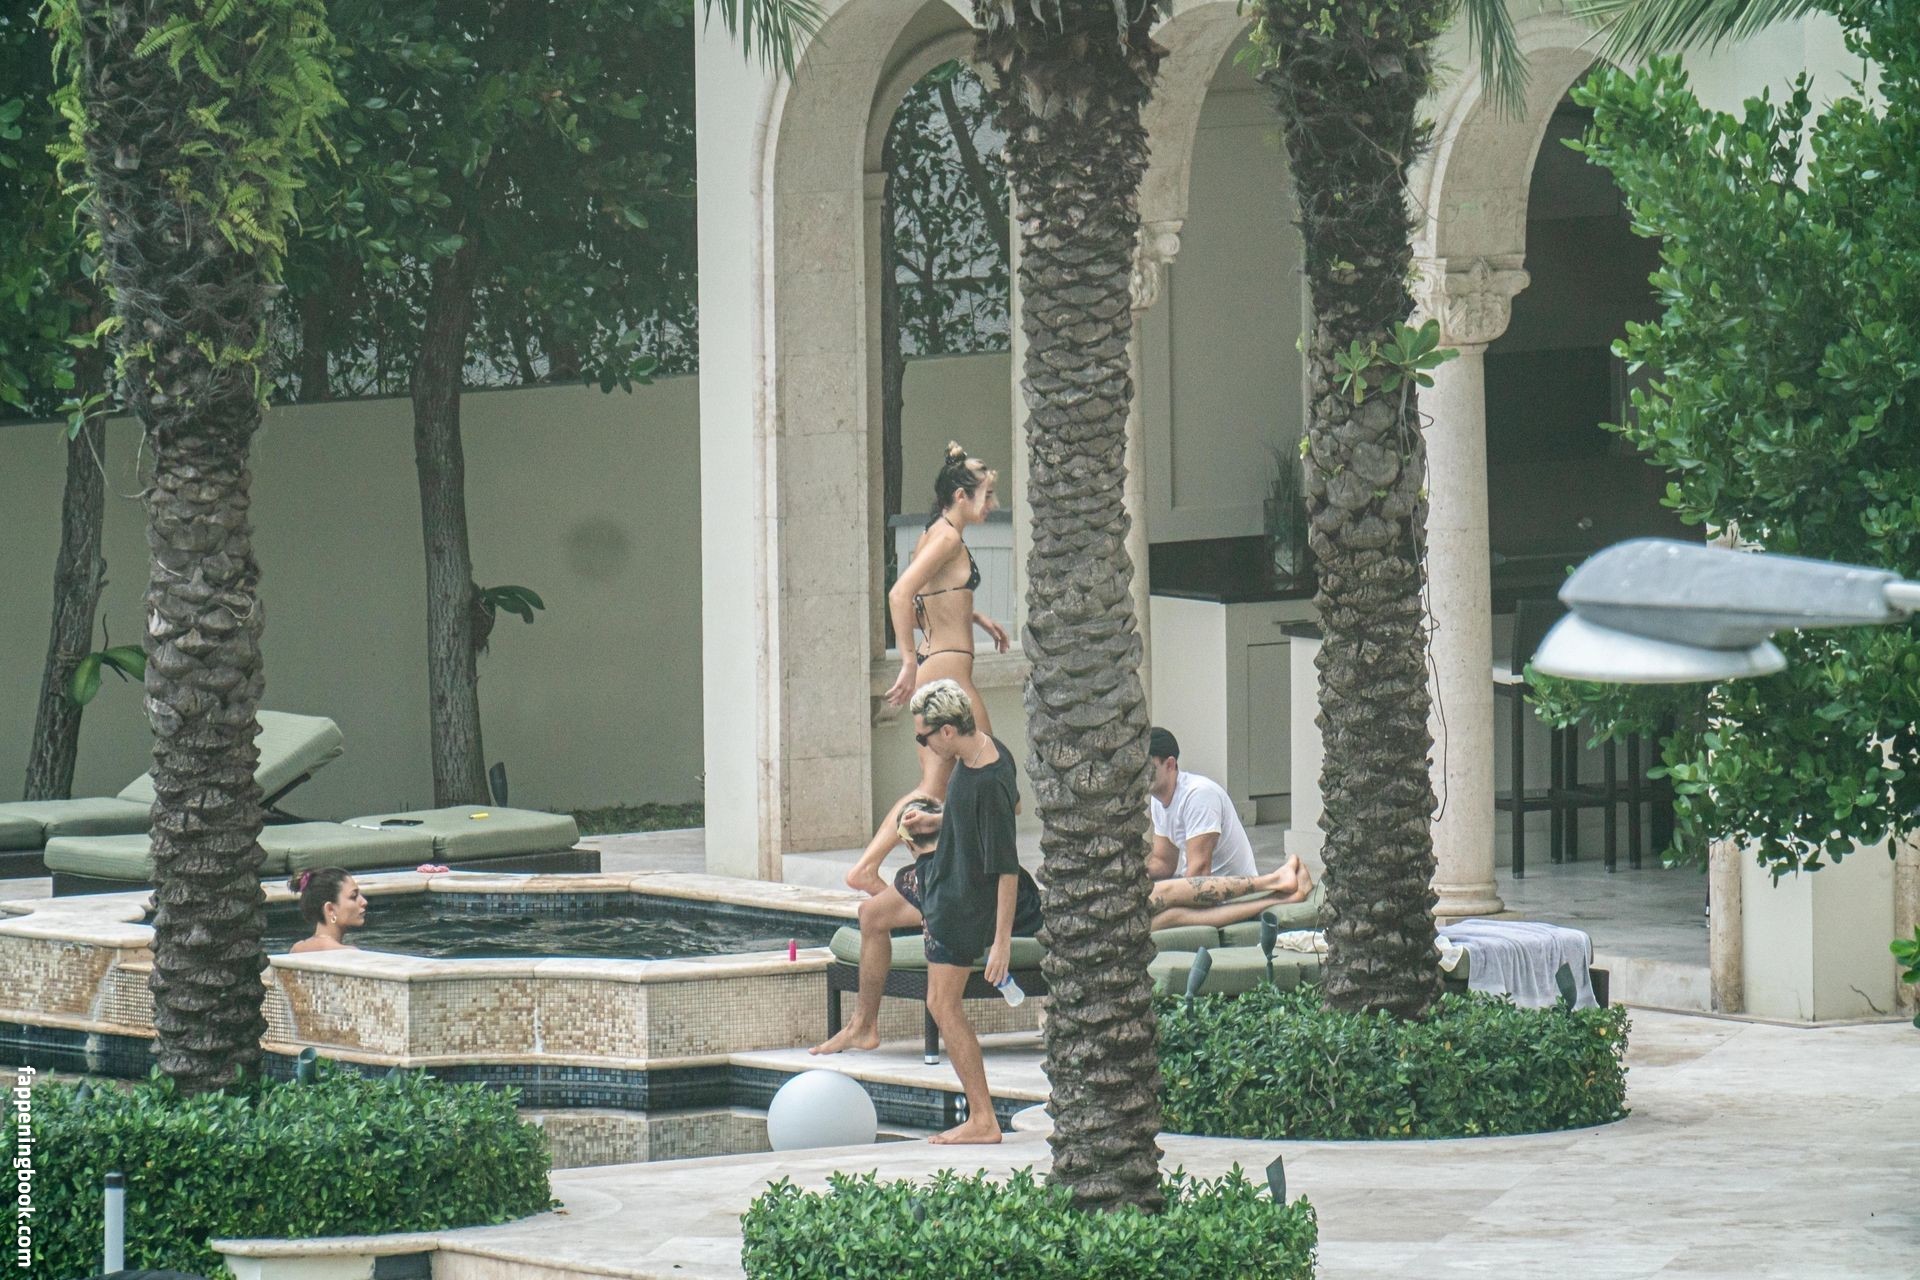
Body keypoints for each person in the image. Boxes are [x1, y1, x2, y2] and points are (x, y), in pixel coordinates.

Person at [845, 442, 1010, 898]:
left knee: (938, 787)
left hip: (941, 671)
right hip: (947, 676)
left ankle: (888, 870)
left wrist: (975, 617)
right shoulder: (947, 538)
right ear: (961, 496)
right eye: (987, 495)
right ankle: (891, 871)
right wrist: (905, 660)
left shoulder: (934, 533)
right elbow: (900, 595)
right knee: (997, 777)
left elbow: (927, 603)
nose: (993, 504)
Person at [908, 678, 1042, 1145]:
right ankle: (980, 1116)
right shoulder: (984, 751)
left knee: (942, 1004)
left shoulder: (987, 780)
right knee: (879, 919)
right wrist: (937, 819)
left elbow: (1006, 869)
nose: (922, 745)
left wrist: (1000, 945)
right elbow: (989, 811)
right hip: (946, 881)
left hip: (965, 907)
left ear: (947, 731)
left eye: (923, 736)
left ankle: (983, 1119)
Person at [810, 797, 943, 1056]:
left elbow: (870, 914)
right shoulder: (948, 865)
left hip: (980, 930)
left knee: (870, 915)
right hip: (1014, 911)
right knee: (874, 914)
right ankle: (861, 1026)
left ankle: (863, 1025)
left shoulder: (923, 875)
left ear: (906, 842)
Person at [1145, 727, 1313, 930]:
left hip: (1226, 891)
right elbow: (1164, 862)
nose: (1138, 774)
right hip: (1199, 885)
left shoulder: (1199, 795)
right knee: (1160, 915)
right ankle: (1279, 888)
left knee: (1165, 902)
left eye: (1146, 767)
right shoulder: (1158, 800)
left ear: (1170, 764)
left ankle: (1275, 883)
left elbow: (1199, 873)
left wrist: (1167, 895)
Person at [286, 867, 368, 953]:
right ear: (330, 909)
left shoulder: (297, 948)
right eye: (353, 896)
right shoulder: (348, 953)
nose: (364, 902)